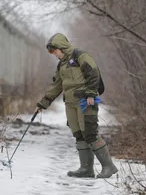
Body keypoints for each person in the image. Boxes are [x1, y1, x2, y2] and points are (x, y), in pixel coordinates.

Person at [35, 33, 118, 178]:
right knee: (79, 134)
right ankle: (86, 169)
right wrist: (43, 103)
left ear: (62, 47)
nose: (54, 55)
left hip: (85, 101)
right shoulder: (61, 65)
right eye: (52, 52)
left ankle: (108, 166)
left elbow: (94, 74)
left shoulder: (80, 56)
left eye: (55, 51)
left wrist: (91, 94)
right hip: (70, 103)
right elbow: (56, 85)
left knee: (90, 133)